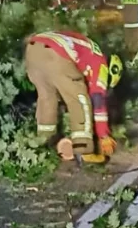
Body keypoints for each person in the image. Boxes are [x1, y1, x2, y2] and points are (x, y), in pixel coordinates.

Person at [24, 30, 122, 165]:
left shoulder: (89, 51)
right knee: (79, 101)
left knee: (47, 97)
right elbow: (98, 101)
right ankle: (84, 150)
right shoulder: (101, 64)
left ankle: (44, 142)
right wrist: (103, 135)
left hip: (33, 49)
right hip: (56, 52)